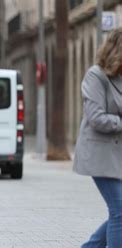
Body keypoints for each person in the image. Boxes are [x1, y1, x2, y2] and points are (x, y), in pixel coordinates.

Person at [73, 28, 122, 248]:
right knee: (120, 210)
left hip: (118, 155)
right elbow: (96, 118)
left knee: (120, 212)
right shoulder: (96, 75)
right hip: (100, 155)